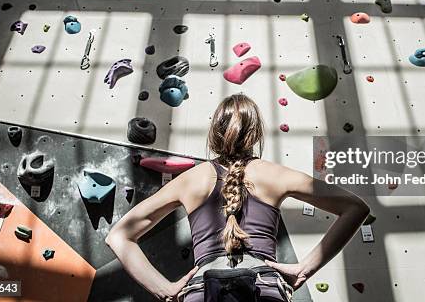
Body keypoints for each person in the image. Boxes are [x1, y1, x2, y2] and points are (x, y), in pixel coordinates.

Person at [106, 94, 370, 301]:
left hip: (202, 291)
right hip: (264, 288)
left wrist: (165, 290)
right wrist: (304, 269)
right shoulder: (275, 174)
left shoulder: (190, 179)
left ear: (214, 135)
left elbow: (118, 236)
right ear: (255, 135)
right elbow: (355, 208)